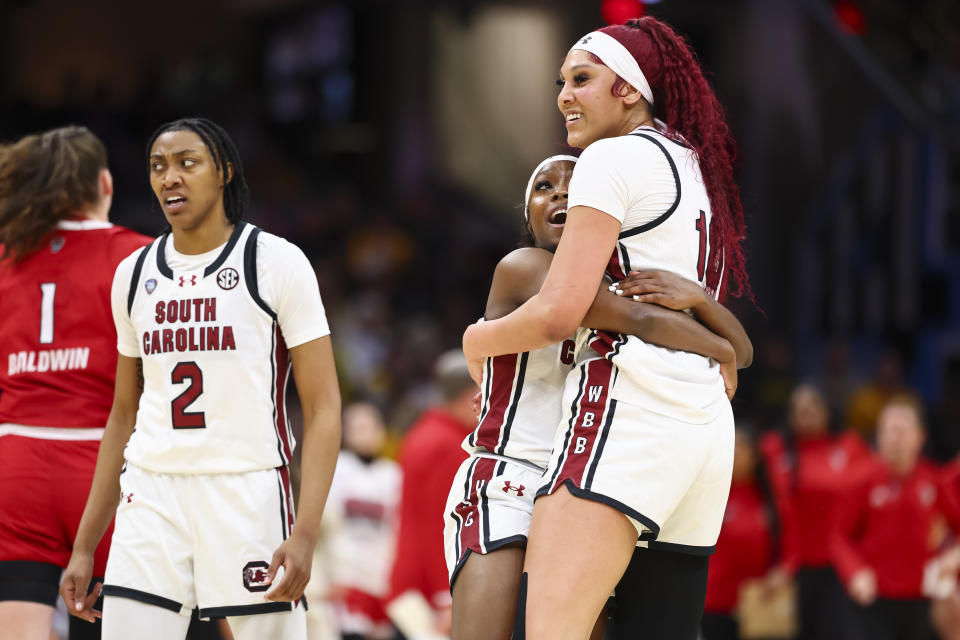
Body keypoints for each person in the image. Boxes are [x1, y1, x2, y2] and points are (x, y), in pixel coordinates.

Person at [462, 17, 753, 638]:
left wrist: (476, 339)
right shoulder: (695, 164)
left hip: (628, 408)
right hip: (704, 428)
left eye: (581, 80)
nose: (563, 96)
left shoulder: (610, 158)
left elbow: (561, 313)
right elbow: (724, 336)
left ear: (629, 88)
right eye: (561, 82)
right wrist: (722, 345)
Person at [58, 117, 342, 640]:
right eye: (158, 167)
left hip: (246, 488)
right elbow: (123, 414)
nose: (170, 178)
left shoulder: (275, 261)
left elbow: (324, 408)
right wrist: (84, 545)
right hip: (151, 493)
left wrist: (305, 533)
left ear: (224, 173)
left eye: (187, 163)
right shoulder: (134, 273)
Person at [0, 125, 151, 640]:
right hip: (106, 463)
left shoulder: (7, 259)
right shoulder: (141, 258)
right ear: (105, 184)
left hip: (16, 462)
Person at [832, 396, 960, 640]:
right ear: (879, 436)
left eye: (902, 430)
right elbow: (839, 536)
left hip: (923, 599)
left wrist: (953, 557)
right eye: (889, 430)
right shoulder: (861, 481)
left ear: (920, 436)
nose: (895, 437)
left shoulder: (933, 479)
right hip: (874, 599)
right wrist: (855, 571)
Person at [759, 384, 870, 640]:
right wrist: (782, 564)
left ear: (827, 410)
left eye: (812, 407)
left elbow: (866, 502)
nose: (805, 414)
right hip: (794, 566)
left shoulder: (849, 446)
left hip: (839, 566)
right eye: (798, 410)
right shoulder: (775, 449)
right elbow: (778, 512)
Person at [386, 350, 476, 640]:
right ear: (471, 395)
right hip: (427, 595)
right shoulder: (448, 446)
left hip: (412, 584)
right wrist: (445, 597)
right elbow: (440, 525)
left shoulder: (422, 433)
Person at [326, 402, 401, 640]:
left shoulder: (394, 474)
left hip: (380, 577)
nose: (365, 433)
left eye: (370, 426)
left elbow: (398, 530)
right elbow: (327, 529)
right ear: (345, 432)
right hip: (344, 578)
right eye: (358, 427)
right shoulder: (335, 469)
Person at [699, 426, 777, 640]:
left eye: (743, 447)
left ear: (755, 455)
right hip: (717, 599)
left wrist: (782, 573)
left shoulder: (768, 497)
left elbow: (789, 543)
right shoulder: (712, 493)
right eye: (733, 447)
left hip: (759, 600)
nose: (738, 453)